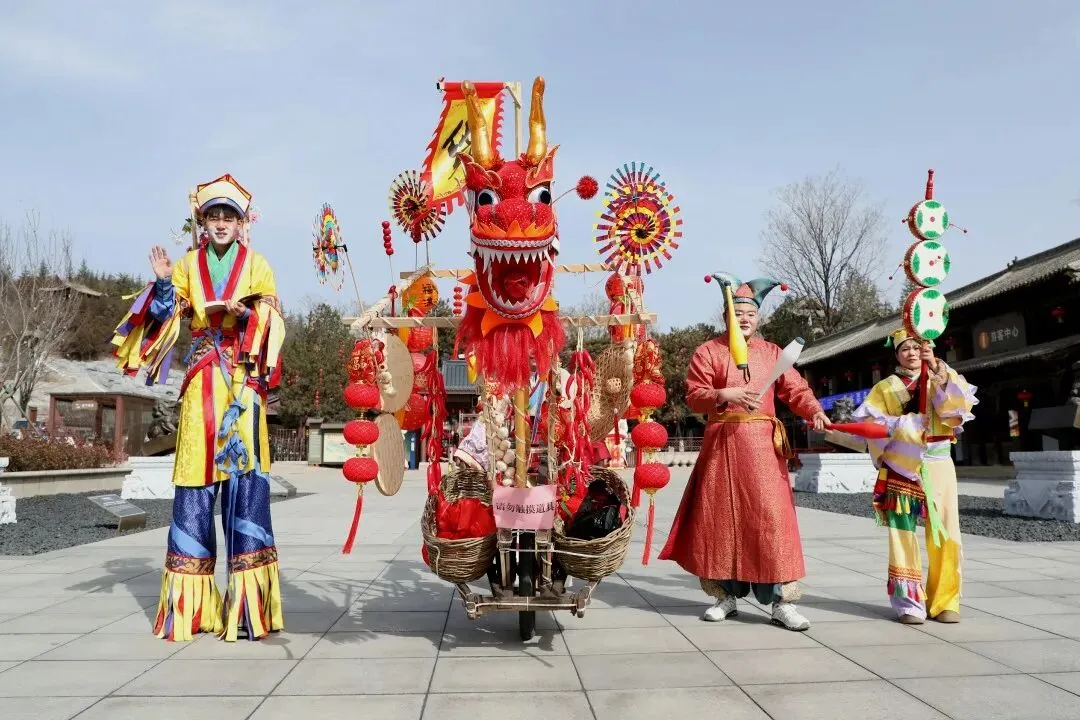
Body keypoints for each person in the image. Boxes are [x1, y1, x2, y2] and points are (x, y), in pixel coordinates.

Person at [111, 173, 286, 642]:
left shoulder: (259, 265)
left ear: (242, 222)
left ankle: (247, 610)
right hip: (203, 379)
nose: (222, 223)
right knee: (194, 482)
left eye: (230, 216)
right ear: (202, 222)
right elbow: (167, 316)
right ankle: (190, 609)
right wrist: (163, 283)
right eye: (214, 216)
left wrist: (249, 314)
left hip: (243, 380)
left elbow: (274, 318)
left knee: (247, 483)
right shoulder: (188, 264)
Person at [658, 276, 830, 631]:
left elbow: (795, 389)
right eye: (738, 314)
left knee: (772, 520)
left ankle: (782, 602)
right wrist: (723, 394)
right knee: (720, 520)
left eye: (751, 314)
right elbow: (694, 395)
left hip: (764, 449)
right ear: (726, 317)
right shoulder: (708, 352)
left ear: (759, 318)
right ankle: (724, 596)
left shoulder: (773, 353)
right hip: (722, 446)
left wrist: (813, 409)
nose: (745, 319)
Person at [853, 328, 977, 624]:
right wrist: (903, 427)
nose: (911, 353)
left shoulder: (945, 376)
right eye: (904, 348)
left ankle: (945, 599)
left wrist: (937, 371)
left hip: (938, 460)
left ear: (928, 348)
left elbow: (956, 412)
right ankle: (909, 603)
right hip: (902, 464)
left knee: (946, 530)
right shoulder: (885, 387)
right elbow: (872, 426)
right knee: (903, 532)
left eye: (916, 347)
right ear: (896, 354)